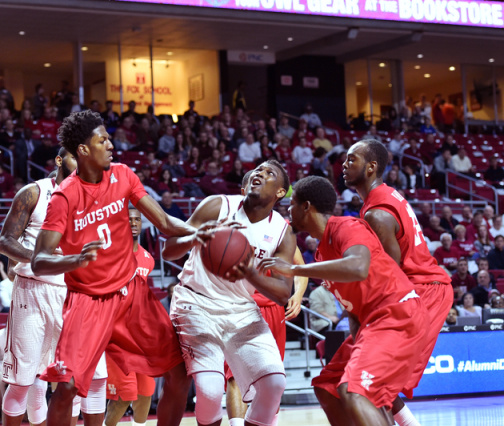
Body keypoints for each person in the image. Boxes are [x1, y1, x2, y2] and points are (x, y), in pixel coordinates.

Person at [30, 110, 194, 426]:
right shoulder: (65, 196)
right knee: (65, 387)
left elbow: (164, 223)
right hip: (88, 300)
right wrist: (74, 260)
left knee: (180, 371)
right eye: (102, 140)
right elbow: (39, 260)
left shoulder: (123, 175)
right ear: (83, 150)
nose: (111, 145)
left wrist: (199, 231)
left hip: (132, 293)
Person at [259, 175, 427, 426]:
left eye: (292, 203)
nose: (287, 209)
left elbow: (358, 266)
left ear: (307, 206)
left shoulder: (346, 226)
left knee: (355, 389)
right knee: (327, 386)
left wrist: (294, 270)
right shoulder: (322, 250)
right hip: (372, 323)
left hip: (396, 314)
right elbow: (353, 308)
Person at [318, 138, 454, 426]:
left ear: (371, 167)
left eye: (351, 159)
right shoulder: (384, 196)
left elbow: (392, 278)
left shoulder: (376, 214)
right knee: (336, 380)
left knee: (367, 381)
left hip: (420, 291)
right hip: (421, 288)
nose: (344, 165)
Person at [162, 160, 304, 426]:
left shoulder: (282, 233)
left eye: (269, 173)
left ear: (280, 192)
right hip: (196, 301)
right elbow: (168, 249)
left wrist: (249, 270)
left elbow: (284, 293)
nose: (260, 173)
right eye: (258, 170)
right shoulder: (218, 205)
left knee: (274, 383)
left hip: (241, 307)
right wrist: (196, 237)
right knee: (210, 389)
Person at [0, 147, 99, 426]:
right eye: (74, 158)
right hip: (33, 291)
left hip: (71, 296)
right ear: (59, 160)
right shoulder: (34, 192)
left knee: (71, 380)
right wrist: (38, 258)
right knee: (22, 381)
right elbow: (4, 241)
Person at [104, 207, 156, 426]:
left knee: (146, 391)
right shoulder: (110, 254)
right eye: (129, 220)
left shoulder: (147, 258)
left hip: (141, 333)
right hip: (116, 332)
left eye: (137, 220)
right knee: (125, 395)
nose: (134, 223)